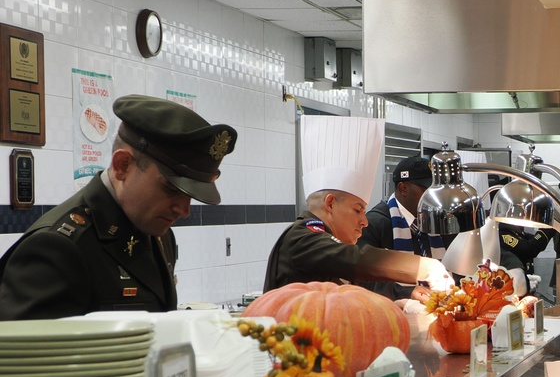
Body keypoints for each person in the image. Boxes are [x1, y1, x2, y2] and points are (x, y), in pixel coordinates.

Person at [0, 95, 237, 320]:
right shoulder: (59, 248)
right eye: (171, 189)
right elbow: (22, 349)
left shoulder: (158, 235)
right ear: (123, 165)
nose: (184, 211)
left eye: (190, 196)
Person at [263, 117, 452, 298]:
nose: (365, 221)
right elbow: (355, 259)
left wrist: (404, 296)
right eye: (357, 210)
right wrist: (424, 267)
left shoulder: (325, 239)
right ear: (330, 203)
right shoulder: (302, 237)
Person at [357, 155, 450, 303]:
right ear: (403, 188)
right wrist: (406, 293)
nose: (434, 199)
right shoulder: (374, 224)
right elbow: (363, 281)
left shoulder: (438, 221)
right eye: (426, 191)